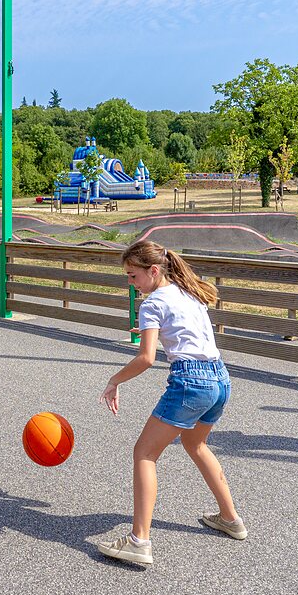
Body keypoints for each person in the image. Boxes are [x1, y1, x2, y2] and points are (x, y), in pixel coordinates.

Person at [97, 240, 244, 567]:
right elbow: (183, 331)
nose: (130, 283)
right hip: (221, 380)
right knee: (197, 445)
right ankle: (230, 518)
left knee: (144, 454)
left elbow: (146, 359)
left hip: (191, 383)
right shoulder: (187, 292)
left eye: (133, 276)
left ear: (152, 271)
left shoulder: (151, 304)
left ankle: (139, 541)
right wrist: (154, 330)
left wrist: (114, 381)